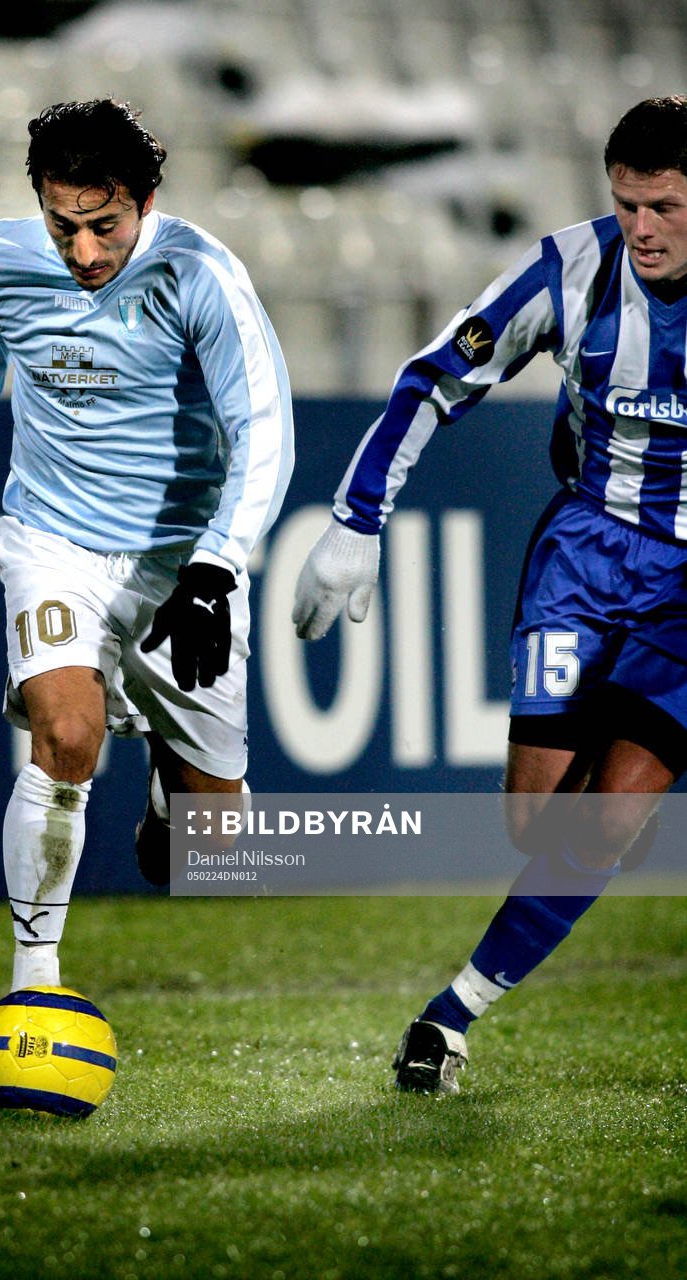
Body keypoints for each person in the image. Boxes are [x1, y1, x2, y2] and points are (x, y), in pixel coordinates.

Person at [293, 95, 687, 1094]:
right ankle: (621, 769)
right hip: (587, 557)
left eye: (666, 207)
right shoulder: (572, 268)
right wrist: (356, 520)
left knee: (603, 821)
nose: (642, 228)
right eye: (628, 203)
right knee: (532, 823)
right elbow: (433, 376)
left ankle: (450, 1013)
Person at [0, 97, 294, 992]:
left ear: (146, 199)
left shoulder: (202, 276)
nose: (84, 253)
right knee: (66, 736)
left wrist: (214, 566)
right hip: (55, 538)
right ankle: (33, 980)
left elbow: (265, 431)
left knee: (211, 854)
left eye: (105, 225)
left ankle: (172, 789)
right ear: (39, 205)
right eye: (63, 225)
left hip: (180, 559)